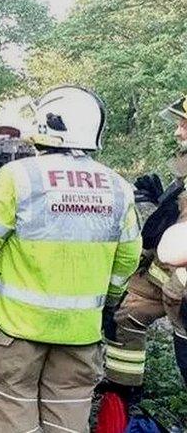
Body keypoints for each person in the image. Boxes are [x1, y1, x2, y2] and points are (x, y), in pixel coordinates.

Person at [0, 86, 141, 433]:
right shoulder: (118, 188)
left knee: (14, 414)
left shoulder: (18, 177)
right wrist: (108, 303)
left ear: (46, 125)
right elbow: (127, 258)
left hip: (14, 331)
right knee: (68, 420)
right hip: (80, 335)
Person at [102, 94, 187, 407]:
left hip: (180, 286)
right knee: (126, 312)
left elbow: (176, 244)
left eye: (184, 124)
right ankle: (123, 391)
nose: (178, 131)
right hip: (165, 281)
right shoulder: (184, 170)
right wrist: (160, 200)